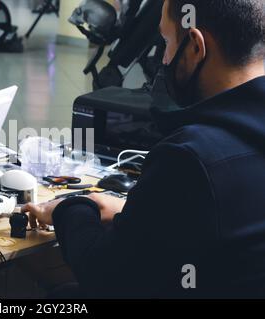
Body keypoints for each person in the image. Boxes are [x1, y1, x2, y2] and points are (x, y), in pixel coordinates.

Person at [22, 0, 265, 298]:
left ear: (196, 47)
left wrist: (70, 208)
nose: (163, 57)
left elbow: (104, 276)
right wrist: (134, 213)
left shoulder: (189, 156)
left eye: (166, 42)